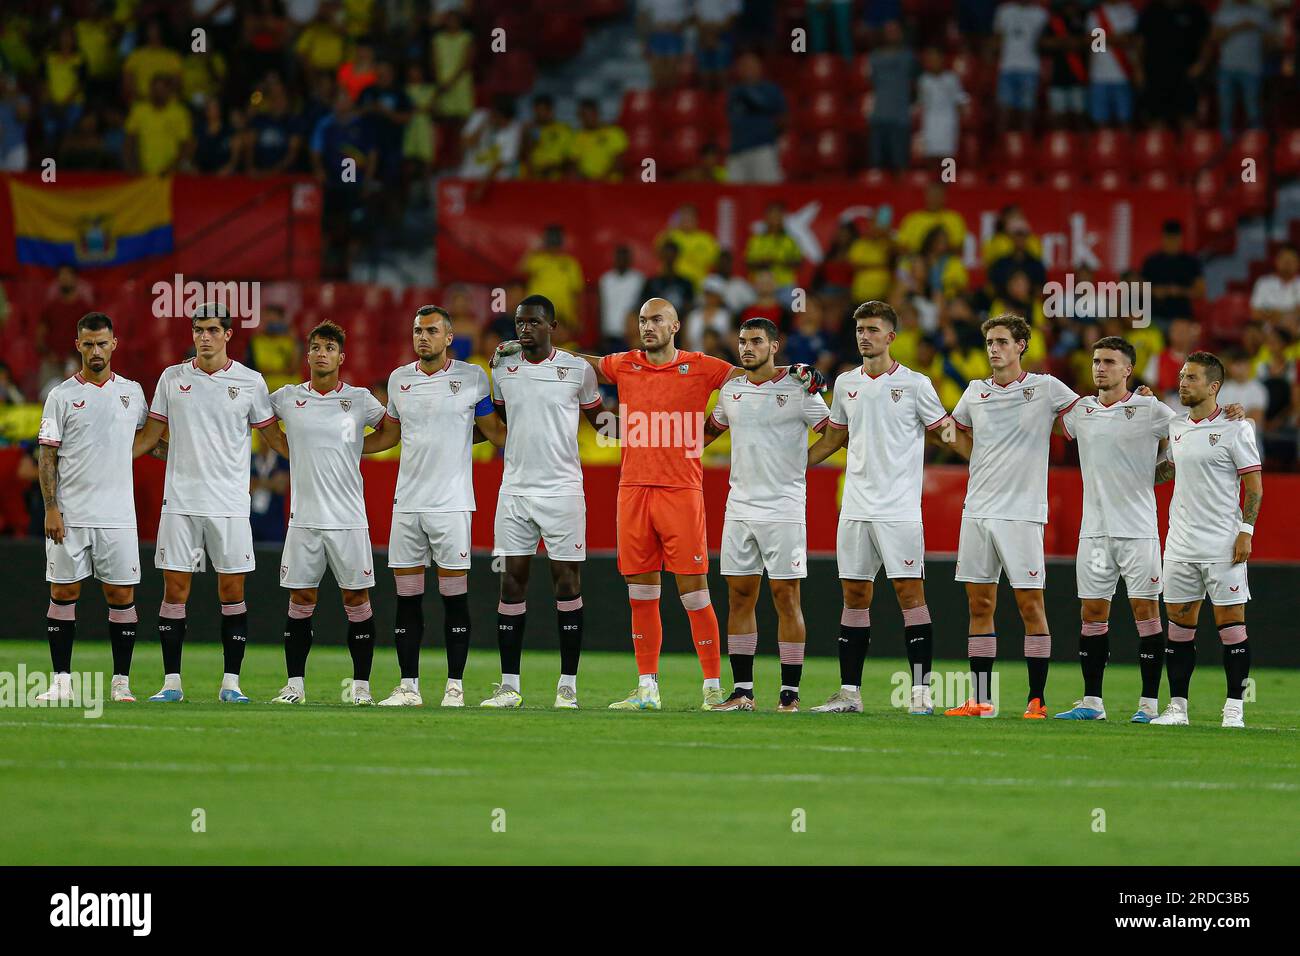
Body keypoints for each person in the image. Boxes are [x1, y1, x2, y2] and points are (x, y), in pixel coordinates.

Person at [489, 299, 825, 710]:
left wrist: (796, 371)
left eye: (657, 320)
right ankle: (647, 687)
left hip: (681, 491)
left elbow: (755, 374)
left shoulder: (703, 365)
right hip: (633, 490)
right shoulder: (624, 363)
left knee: (694, 592)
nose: (648, 327)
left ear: (676, 326)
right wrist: (520, 343)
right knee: (641, 592)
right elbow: (576, 360)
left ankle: (714, 688)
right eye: (644, 320)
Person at [132, 303, 290, 703]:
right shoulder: (171, 378)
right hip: (180, 502)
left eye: (212, 330)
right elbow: (151, 435)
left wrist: (309, 459)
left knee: (232, 591)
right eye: (198, 329)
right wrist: (111, 455)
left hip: (230, 504)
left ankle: (231, 684)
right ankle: (171, 683)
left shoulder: (251, 382)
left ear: (228, 335)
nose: (204, 336)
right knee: (174, 590)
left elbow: (271, 436)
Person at [806, 301, 953, 715]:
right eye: (859, 329)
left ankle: (921, 693)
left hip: (900, 510)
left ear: (891, 337)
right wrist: (792, 464)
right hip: (854, 508)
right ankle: (849, 693)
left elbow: (944, 432)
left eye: (872, 329)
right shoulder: (845, 382)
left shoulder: (916, 385)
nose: (863, 336)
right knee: (854, 596)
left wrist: (982, 450)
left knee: (910, 594)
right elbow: (834, 438)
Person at [365, 305, 506, 707]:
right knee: (407, 598)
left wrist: (540, 429)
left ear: (449, 338)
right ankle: (408, 686)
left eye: (431, 330)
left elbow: (495, 432)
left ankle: (454, 687)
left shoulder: (472, 378)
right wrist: (333, 448)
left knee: (453, 598)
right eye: (417, 331)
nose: (422, 337)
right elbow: (388, 437)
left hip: (451, 504)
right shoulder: (399, 381)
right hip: (407, 505)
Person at [945, 313, 1081, 718]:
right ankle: (981, 699)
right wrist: (978, 459)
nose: (994, 349)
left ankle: (1036, 699)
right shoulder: (974, 391)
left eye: (1002, 341)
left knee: (1030, 605)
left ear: (1021, 345)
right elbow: (954, 432)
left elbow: (1086, 417)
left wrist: (1135, 397)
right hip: (978, 510)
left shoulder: (1045, 388)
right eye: (990, 342)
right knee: (980, 604)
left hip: (1022, 513)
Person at [480, 295, 604, 709]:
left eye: (533, 321)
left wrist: (651, 431)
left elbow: (600, 420)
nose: (524, 328)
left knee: (566, 584)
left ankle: (567, 685)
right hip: (514, 491)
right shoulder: (502, 367)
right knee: (511, 582)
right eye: (519, 321)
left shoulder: (576, 369)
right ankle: (510, 685)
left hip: (563, 491)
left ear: (552, 325)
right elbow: (498, 420)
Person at [701, 320, 831, 713]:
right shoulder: (731, 389)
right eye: (742, 341)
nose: (747, 348)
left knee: (785, 597)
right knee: (740, 598)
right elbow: (707, 433)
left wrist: (802, 464)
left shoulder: (799, 388)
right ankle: (742, 692)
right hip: (739, 508)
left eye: (756, 341)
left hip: (784, 508)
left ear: (775, 346)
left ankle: (789, 694)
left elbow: (835, 432)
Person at [267, 320, 394, 706]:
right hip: (304, 519)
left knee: (357, 600)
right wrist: (288, 450)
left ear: (342, 356)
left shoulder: (359, 399)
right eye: (316, 347)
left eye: (329, 348)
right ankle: (295, 686)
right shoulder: (287, 397)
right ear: (307, 355)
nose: (322, 353)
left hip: (348, 519)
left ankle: (361, 688)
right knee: (301, 599)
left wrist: (355, 449)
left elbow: (390, 431)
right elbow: (261, 423)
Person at [1054, 338, 1178, 722]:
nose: (1100, 367)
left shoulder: (1150, 409)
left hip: (1138, 529)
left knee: (1146, 612)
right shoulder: (1081, 412)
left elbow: (1183, 445)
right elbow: (1047, 425)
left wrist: (1149, 475)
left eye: (1109, 361)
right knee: (1091, 613)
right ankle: (1092, 702)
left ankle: (1148, 705)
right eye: (1096, 361)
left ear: (1128, 369)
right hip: (1094, 532)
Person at [35, 313, 150, 705]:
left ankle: (121, 682)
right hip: (71, 513)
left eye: (102, 343)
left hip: (118, 514)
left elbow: (148, 440)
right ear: (77, 344)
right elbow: (47, 455)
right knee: (64, 591)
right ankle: (62, 681)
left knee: (121, 595)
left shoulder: (133, 393)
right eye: (88, 344)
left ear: (114, 344)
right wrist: (52, 508)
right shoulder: (61, 395)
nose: (96, 351)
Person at [1153, 352, 1263, 728]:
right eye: (1182, 376)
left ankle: (1235, 708)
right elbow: (1168, 471)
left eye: (1192, 378)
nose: (1182, 383)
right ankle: (1177, 708)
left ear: (1213, 386)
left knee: (1232, 629)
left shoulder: (1237, 427)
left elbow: (1254, 488)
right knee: (1179, 631)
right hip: (1180, 545)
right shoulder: (1177, 427)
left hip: (1222, 544)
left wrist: (1245, 532)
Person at [1213, 0, 1275, 139]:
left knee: (1253, 109)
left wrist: (1258, 30)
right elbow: (1215, 37)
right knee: (1226, 109)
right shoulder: (1225, 9)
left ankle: (1256, 142)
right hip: (1227, 67)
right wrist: (1239, 27)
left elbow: (1272, 43)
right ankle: (1225, 146)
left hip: (1252, 68)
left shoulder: (1261, 11)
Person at [725, 52, 785, 183]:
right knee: (734, 194)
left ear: (759, 68)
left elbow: (783, 118)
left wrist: (768, 134)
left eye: (751, 66)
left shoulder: (770, 89)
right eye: (743, 66)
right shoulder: (734, 92)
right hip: (737, 151)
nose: (747, 70)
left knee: (767, 192)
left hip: (762, 149)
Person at [992, 0, 1049, 130]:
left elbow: (1045, 42)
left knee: (1027, 111)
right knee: (1005, 111)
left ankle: (1025, 144)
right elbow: (997, 38)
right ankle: (1005, 145)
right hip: (1007, 67)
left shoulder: (1040, 13)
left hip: (1030, 68)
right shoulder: (1004, 11)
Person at [519, 224, 585, 334]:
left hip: (563, 320)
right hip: (537, 316)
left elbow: (577, 294)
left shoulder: (570, 263)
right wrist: (532, 249)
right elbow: (519, 271)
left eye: (556, 238)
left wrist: (579, 319)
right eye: (550, 238)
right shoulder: (536, 259)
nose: (553, 242)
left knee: (562, 350)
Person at [123, 75, 194, 175]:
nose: (157, 92)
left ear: (169, 90)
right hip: (143, 173)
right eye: (154, 88)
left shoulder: (179, 112)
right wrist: (132, 167)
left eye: (161, 89)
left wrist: (172, 167)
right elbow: (129, 141)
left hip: (171, 175)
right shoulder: (139, 110)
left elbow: (187, 145)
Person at [1141, 220, 1205, 330]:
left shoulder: (1191, 262)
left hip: (1182, 318)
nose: (1171, 243)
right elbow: (1139, 287)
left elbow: (1200, 291)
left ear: (1180, 239)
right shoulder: (1152, 261)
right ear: (1163, 238)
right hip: (1156, 317)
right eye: (1168, 238)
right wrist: (1155, 291)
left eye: (1174, 239)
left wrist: (1179, 291)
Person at [868, 21, 915, 171]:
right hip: (878, 116)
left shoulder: (908, 57)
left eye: (895, 31)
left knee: (900, 165)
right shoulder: (874, 58)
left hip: (900, 119)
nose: (892, 34)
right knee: (877, 166)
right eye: (889, 30)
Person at [1085, 1, 1139, 127]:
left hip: (1123, 74)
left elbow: (1130, 40)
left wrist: (1105, 38)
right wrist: (1118, 39)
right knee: (1100, 122)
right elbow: (1095, 45)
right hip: (1099, 75)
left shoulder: (1129, 12)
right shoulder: (1095, 14)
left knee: (1125, 121)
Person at [598, 245, 645, 351]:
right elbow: (601, 307)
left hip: (630, 336)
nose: (622, 261)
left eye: (625, 258)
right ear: (615, 259)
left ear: (630, 260)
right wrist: (600, 333)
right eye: (619, 258)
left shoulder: (638, 279)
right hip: (610, 333)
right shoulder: (606, 279)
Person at [569, 99, 627, 181]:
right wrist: (583, 178)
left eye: (590, 114)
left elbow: (620, 162)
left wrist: (602, 178)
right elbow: (573, 163)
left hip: (610, 184)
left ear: (597, 114)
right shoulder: (577, 137)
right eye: (583, 115)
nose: (587, 119)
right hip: (586, 184)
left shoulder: (613, 133)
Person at [1249, 243, 1300, 327]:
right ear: (1277, 261)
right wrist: (1290, 313)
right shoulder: (1263, 283)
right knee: (1251, 330)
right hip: (1267, 331)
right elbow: (1256, 314)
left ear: (1298, 263)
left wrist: (1271, 313)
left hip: (1294, 331)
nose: (1287, 264)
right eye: (1284, 260)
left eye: (1291, 260)